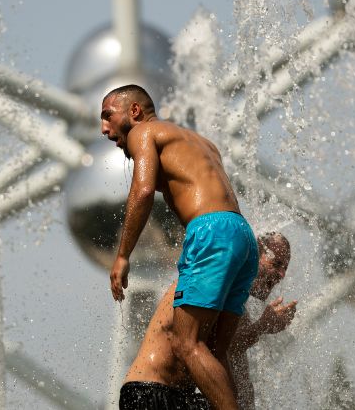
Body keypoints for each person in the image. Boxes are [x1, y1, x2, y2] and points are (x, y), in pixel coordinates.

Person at [102, 84, 259, 409]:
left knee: (186, 343)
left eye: (107, 116)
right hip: (241, 233)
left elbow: (143, 191)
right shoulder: (202, 143)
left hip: (210, 230)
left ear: (134, 111)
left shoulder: (143, 132)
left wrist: (122, 255)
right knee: (215, 351)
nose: (104, 129)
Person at [119, 233, 297, 410]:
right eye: (276, 264)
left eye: (285, 269)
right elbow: (222, 348)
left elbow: (234, 368)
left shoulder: (236, 307)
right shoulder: (214, 280)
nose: (281, 274)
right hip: (150, 392)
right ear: (253, 257)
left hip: (178, 396)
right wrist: (261, 326)